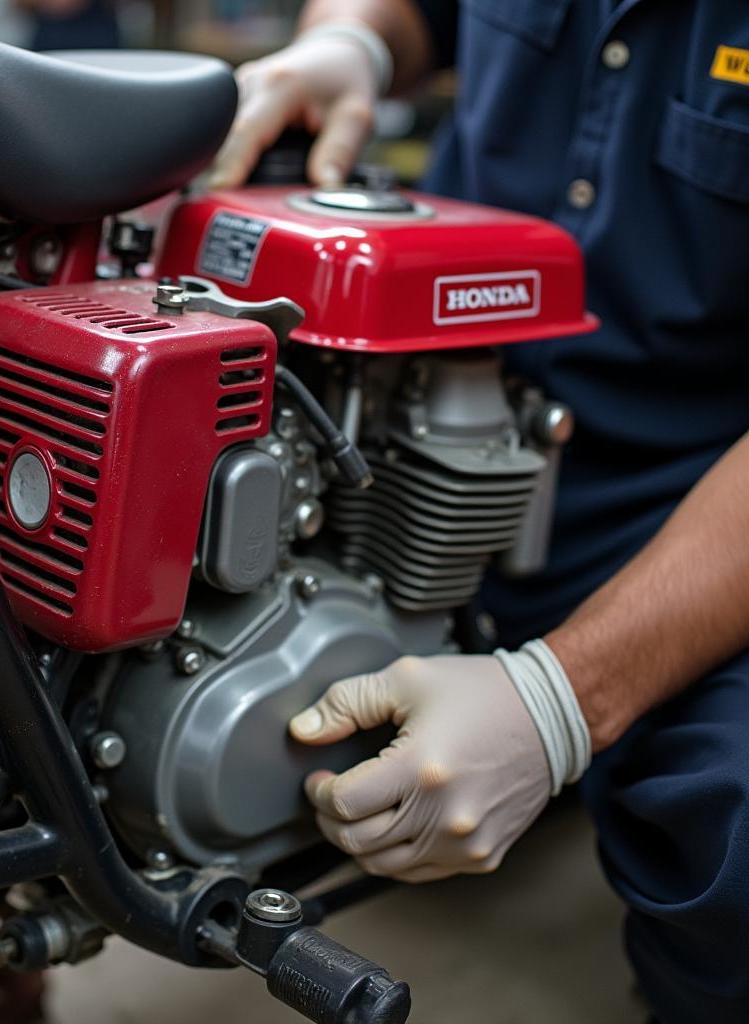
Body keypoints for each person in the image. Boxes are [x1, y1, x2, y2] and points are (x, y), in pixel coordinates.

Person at [211, 3, 749, 1023]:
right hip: (419, 440)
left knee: (738, 846)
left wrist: (562, 699)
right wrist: (356, 43)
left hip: (696, 500)